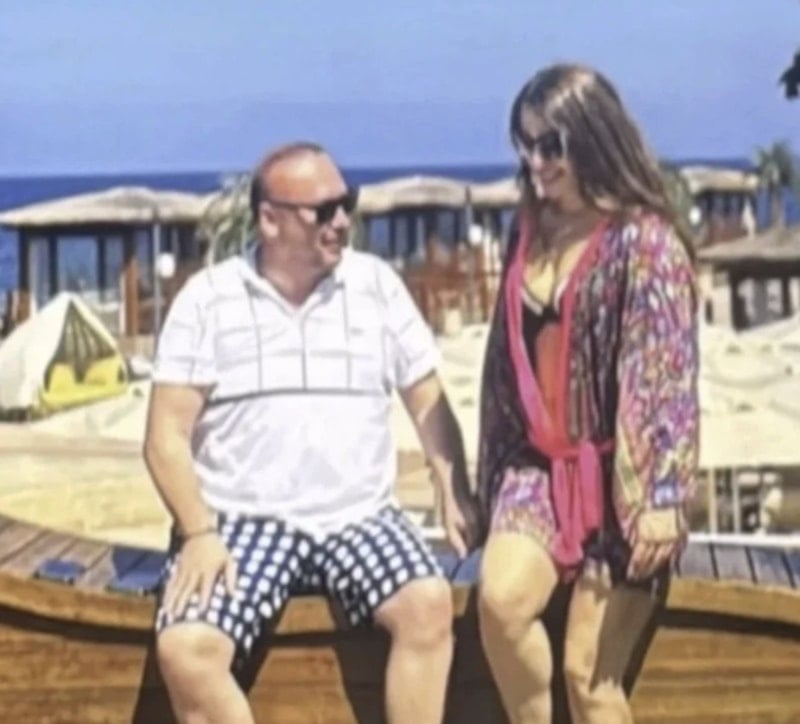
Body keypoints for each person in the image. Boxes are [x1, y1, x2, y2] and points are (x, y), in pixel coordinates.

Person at [144, 141, 480, 724]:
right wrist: (197, 531)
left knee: (428, 605)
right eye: (323, 210)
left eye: (346, 203)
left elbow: (426, 398)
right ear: (269, 219)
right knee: (186, 648)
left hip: (360, 515)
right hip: (241, 521)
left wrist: (454, 488)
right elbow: (164, 436)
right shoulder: (208, 299)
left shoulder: (375, 286)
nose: (342, 221)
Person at [475, 64, 699, 723]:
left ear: (593, 138)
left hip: (623, 481)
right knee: (500, 604)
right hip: (537, 471)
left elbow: (665, 375)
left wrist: (661, 496)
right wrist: (480, 479)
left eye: (552, 145)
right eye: (525, 144)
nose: (535, 162)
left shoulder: (644, 242)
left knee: (588, 672)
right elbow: (501, 365)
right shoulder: (526, 231)